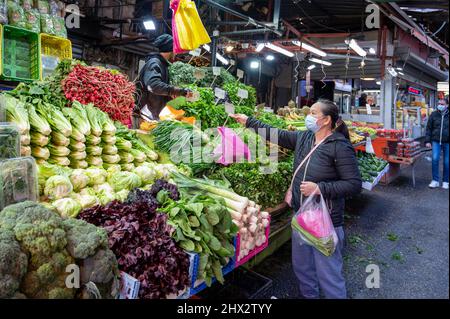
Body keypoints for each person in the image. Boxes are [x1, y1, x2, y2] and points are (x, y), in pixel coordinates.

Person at [231, 99, 362, 299]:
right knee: (303, 269)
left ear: (326, 120)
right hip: (302, 216)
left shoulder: (339, 147)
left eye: (313, 113)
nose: (308, 116)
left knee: (329, 275)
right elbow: (277, 134)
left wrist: (320, 188)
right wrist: (249, 121)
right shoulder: (305, 138)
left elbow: (353, 184)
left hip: (325, 221)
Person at [133, 34, 192, 126]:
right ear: (170, 49)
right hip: (146, 114)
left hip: (153, 114)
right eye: (174, 50)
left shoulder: (161, 64)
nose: (176, 53)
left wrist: (170, 96)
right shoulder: (154, 63)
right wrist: (178, 91)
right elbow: (153, 85)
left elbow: (157, 90)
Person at [425, 97, 449, 189]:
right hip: (435, 141)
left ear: (447, 105)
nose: (440, 105)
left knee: (447, 162)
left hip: (447, 142)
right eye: (439, 104)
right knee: (435, 159)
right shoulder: (433, 114)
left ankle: (446, 181)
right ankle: (435, 180)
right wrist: (427, 140)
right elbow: (429, 128)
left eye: (442, 104)